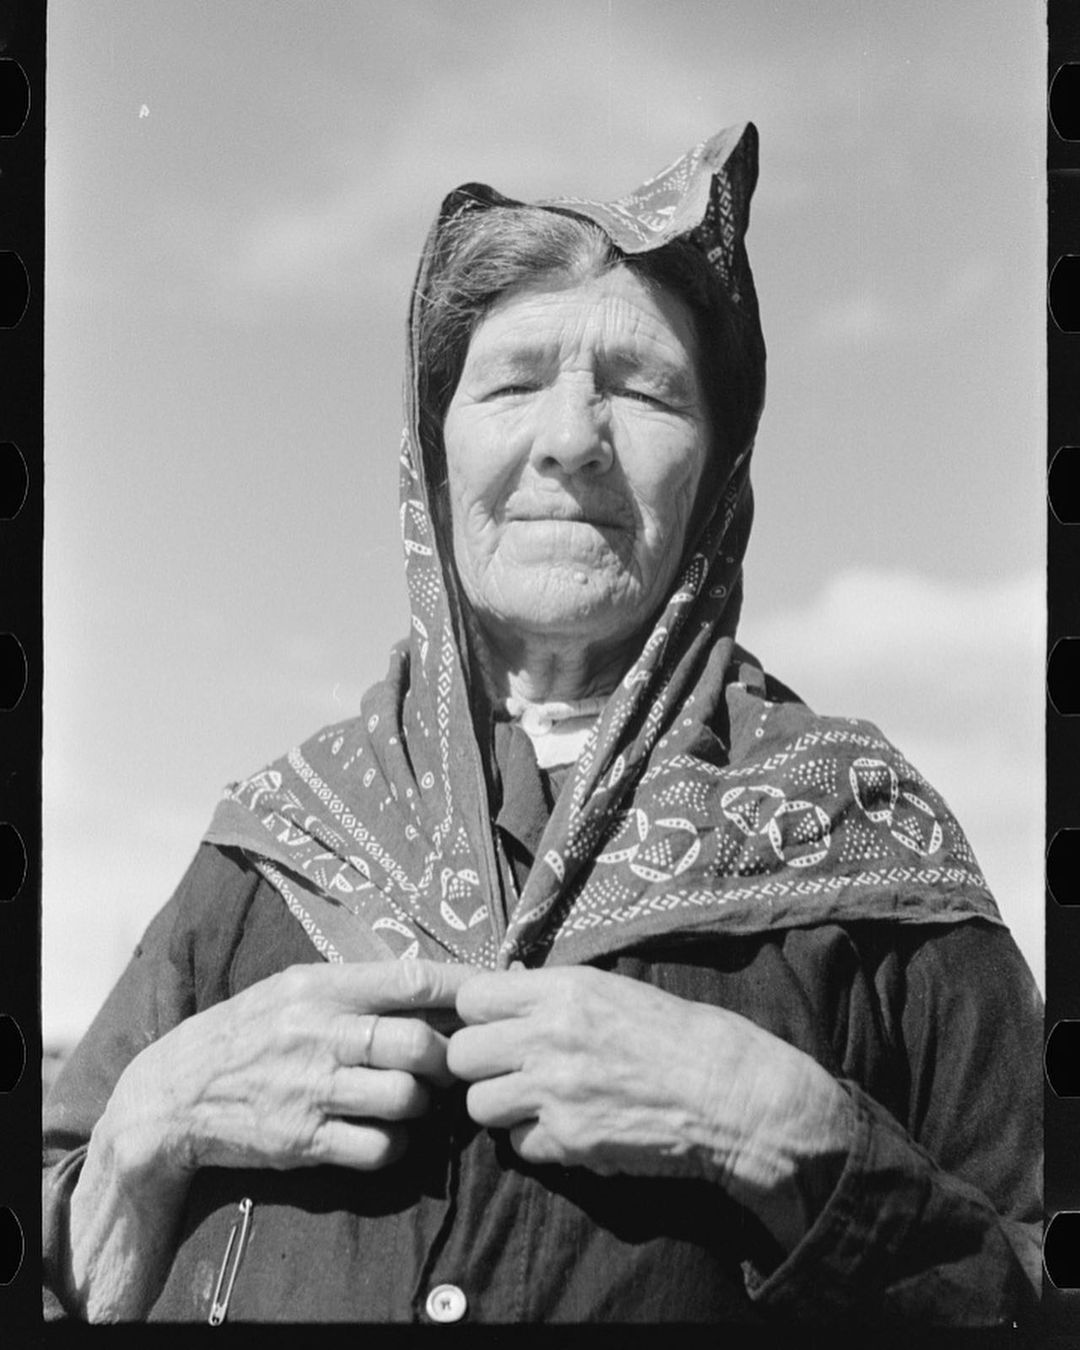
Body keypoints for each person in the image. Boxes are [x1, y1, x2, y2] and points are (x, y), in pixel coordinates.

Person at [43, 124, 1041, 1325]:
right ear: (434, 454)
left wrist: (796, 1137)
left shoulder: (866, 840)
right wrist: (155, 1121)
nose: (572, 440)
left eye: (644, 389)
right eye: (514, 383)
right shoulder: (266, 851)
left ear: (720, 472)